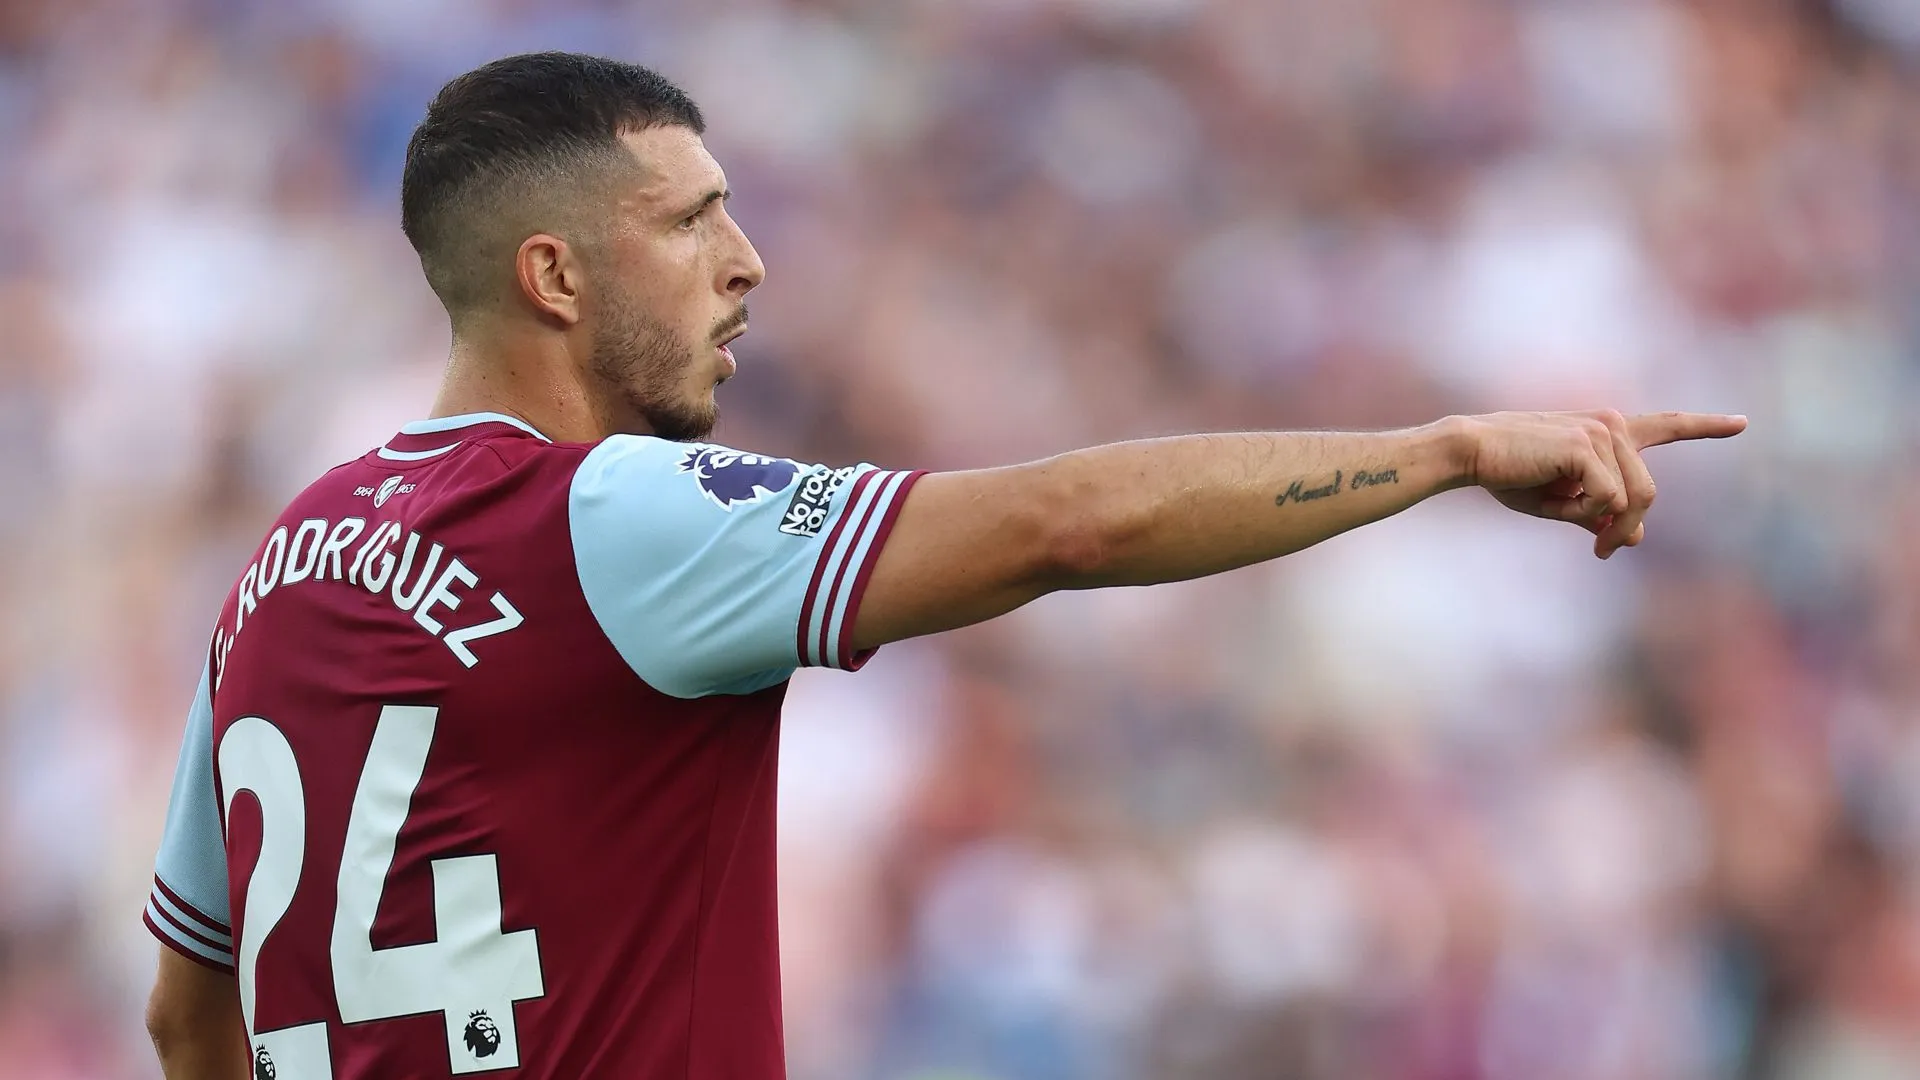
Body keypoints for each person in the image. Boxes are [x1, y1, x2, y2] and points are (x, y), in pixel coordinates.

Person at [138, 51, 1745, 1080]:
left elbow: (184, 1021)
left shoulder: (269, 581)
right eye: (692, 223)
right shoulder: (610, 515)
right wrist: (1448, 453)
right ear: (553, 275)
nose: (747, 262)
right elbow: (1067, 524)